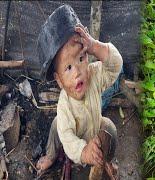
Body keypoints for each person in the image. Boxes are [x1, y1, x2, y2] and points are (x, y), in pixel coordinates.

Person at [35, 5, 121, 179]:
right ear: (58, 79)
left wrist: (95, 46)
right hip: (75, 138)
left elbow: (115, 66)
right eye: (68, 68)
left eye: (81, 58)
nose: (77, 72)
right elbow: (67, 139)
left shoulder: (94, 74)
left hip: (94, 127)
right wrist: (83, 151)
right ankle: (51, 156)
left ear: (87, 56)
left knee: (110, 127)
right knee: (57, 128)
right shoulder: (64, 105)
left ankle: (107, 160)